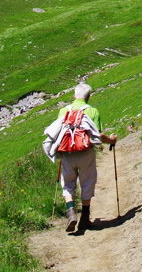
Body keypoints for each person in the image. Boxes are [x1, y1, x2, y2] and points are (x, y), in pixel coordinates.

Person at [50, 83, 114, 232]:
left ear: (74, 96)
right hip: (85, 152)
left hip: (67, 153)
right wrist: (111, 140)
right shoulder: (92, 111)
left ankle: (71, 211)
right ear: (88, 97)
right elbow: (97, 136)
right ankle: (85, 217)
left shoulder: (63, 111)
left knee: (68, 183)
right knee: (87, 182)